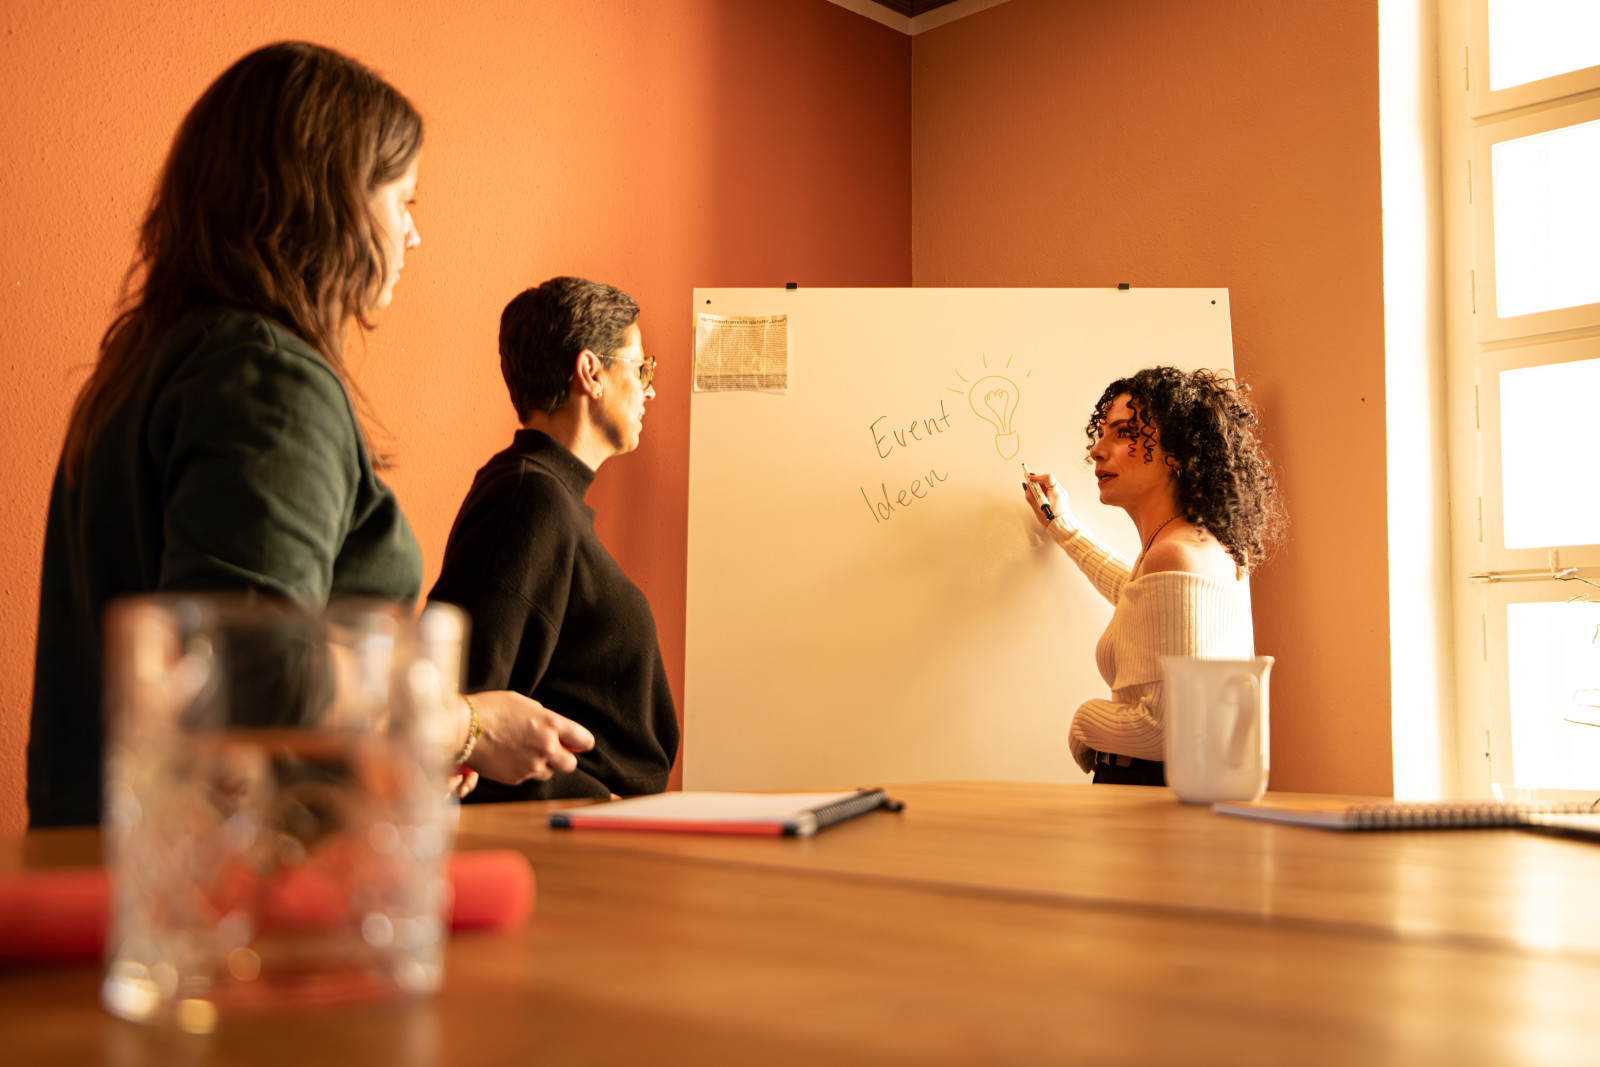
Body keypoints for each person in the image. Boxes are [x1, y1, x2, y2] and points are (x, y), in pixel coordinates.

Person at [27, 42, 592, 828]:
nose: (413, 237)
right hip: (226, 904)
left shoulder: (141, 367)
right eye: (405, 203)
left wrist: (392, 749)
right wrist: (465, 721)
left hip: (111, 878)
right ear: (331, 199)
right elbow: (254, 675)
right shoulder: (268, 381)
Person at [428, 277, 679, 801]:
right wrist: (585, 798)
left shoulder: (544, 498)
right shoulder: (530, 501)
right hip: (568, 844)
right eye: (641, 368)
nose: (650, 388)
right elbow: (463, 717)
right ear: (592, 372)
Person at [1022, 366, 1284, 786]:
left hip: (1151, 800)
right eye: (1102, 432)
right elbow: (1134, 593)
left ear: (1177, 454)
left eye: (1124, 432)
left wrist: (1082, 724)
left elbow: (1168, 732)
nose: (1097, 450)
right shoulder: (1190, 547)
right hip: (1171, 799)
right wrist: (1061, 525)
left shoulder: (1176, 556)